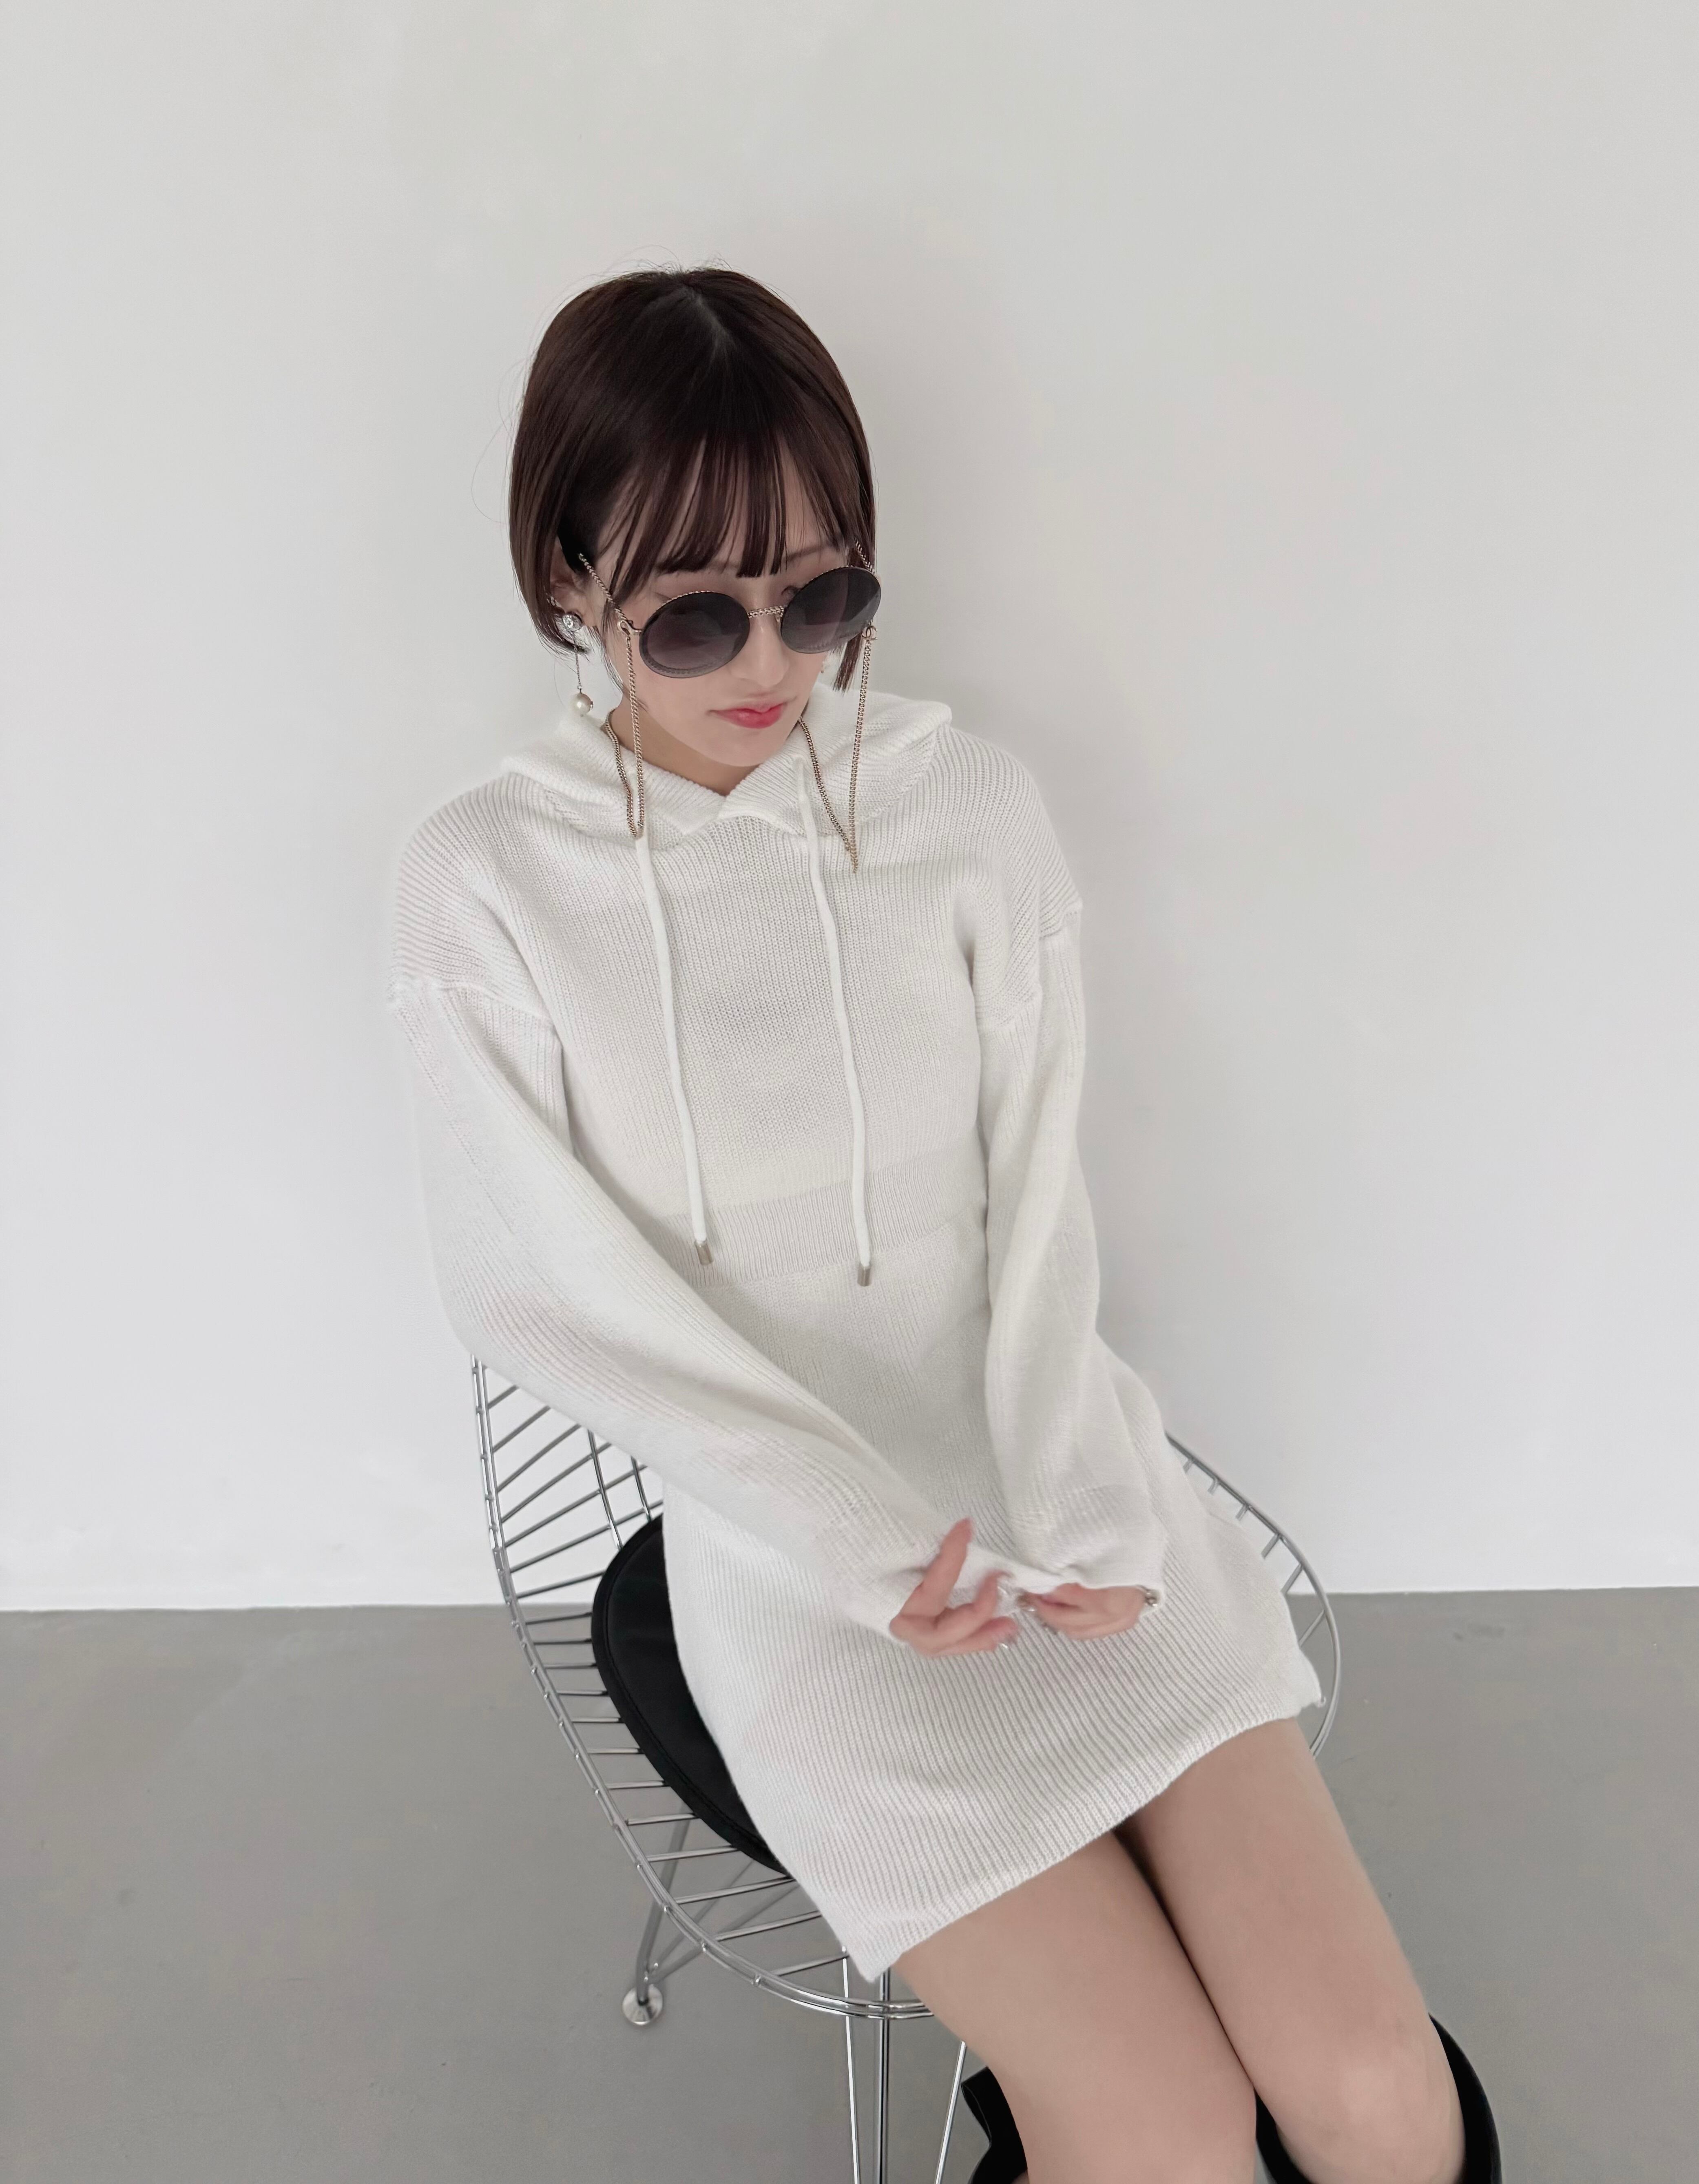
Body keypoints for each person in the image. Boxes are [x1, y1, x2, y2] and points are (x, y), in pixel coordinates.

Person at [389, 267, 1498, 2184]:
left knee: (1379, 2106)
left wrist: (1084, 1497)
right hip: (800, 1580)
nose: (774, 660)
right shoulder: (484, 884)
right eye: (696, 612)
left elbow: (1038, 1200)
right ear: (568, 578)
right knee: (1165, 2132)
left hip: (1076, 1509)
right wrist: (861, 1540)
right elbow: (538, 1291)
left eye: (823, 597)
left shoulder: (966, 807)